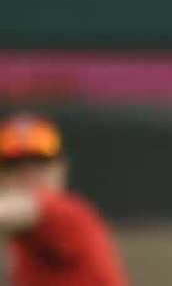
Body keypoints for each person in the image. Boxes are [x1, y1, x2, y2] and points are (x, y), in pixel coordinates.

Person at [0, 112, 128, 286]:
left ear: (61, 167)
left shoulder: (71, 214)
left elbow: (18, 209)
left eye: (39, 162)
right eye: (15, 165)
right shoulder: (20, 240)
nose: (29, 174)